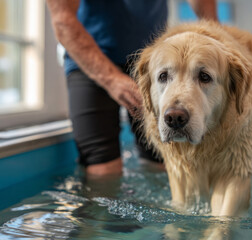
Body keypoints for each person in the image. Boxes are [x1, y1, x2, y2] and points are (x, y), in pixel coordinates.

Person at [46, 0, 218, 176]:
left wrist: (215, 34)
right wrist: (111, 80)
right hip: (89, 59)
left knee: (164, 164)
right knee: (103, 170)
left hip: (150, 60)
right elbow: (63, 21)